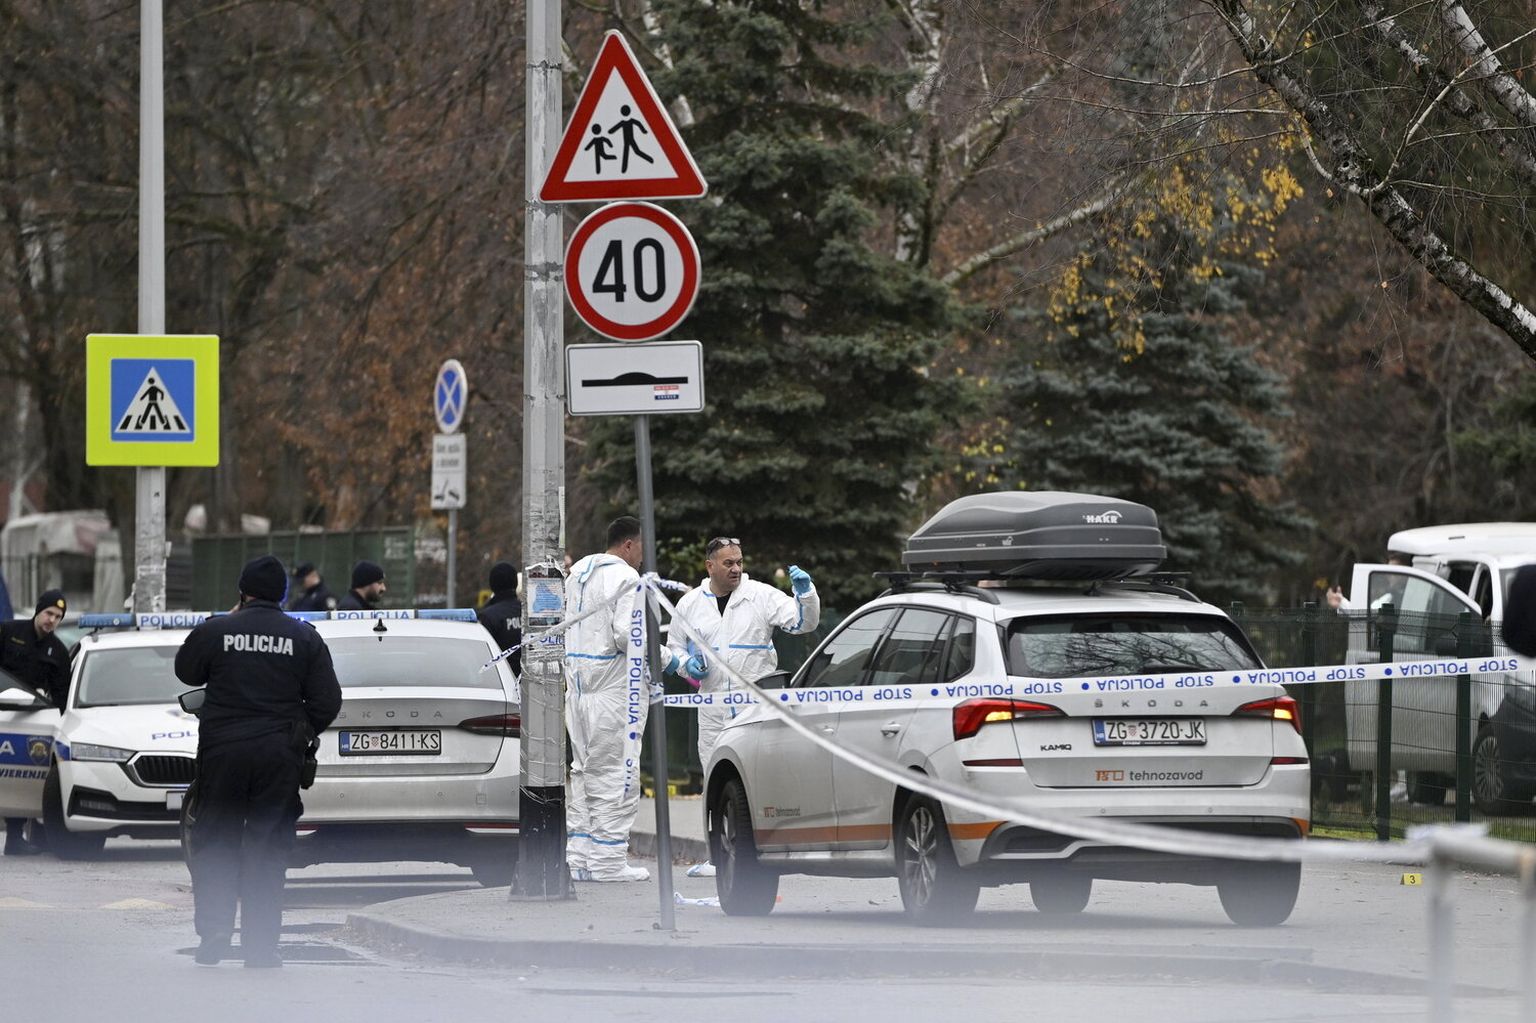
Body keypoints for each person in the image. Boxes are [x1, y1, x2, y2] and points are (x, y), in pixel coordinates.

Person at [175, 555, 342, 967]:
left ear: (242, 592)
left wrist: (226, 621)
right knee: (268, 847)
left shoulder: (217, 630)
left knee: (216, 840)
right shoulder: (303, 637)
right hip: (278, 757)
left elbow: (186, 671)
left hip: (223, 755)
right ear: (283, 594)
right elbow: (327, 701)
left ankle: (215, 933)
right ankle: (261, 947)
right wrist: (300, 731)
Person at [664, 537, 820, 877]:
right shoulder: (690, 604)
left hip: (754, 710)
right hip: (713, 710)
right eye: (728, 563)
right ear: (710, 566)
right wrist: (686, 665)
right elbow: (673, 647)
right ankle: (719, 858)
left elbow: (802, 623)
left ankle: (767, 854)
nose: (736, 568)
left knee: (758, 782)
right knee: (714, 783)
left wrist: (805, 594)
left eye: (739, 562)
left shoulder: (761, 596)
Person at [564, 516, 650, 882]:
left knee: (584, 774)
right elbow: (628, 635)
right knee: (617, 774)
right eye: (642, 548)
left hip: (579, 693)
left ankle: (580, 857)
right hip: (613, 692)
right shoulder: (625, 578)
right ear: (629, 544)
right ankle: (608, 862)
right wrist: (669, 659)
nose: (644, 557)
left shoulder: (579, 574)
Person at [1, 589, 70, 856]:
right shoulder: (8, 632)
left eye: (58, 617)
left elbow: (62, 695)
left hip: (29, 721)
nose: (52, 620)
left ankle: (18, 837)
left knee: (25, 778)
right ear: (39, 611)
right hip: (3, 715)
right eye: (49, 613)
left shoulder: (58, 652)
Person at [477, 561, 522, 673]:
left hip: (501, 678)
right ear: (515, 583)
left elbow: (482, 655)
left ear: (492, 584)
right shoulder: (527, 612)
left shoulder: (487, 616)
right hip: (529, 678)